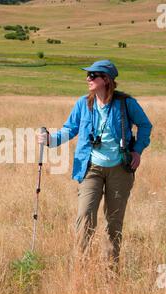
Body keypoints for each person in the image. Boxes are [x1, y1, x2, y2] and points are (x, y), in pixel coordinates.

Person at [36, 59, 152, 266]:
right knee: (85, 216)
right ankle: (80, 266)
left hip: (120, 169)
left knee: (114, 222)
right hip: (90, 168)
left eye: (92, 75)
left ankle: (111, 270)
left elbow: (145, 125)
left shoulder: (126, 103)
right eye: (88, 75)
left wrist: (137, 151)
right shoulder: (83, 103)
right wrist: (50, 140)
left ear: (106, 80)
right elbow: (69, 129)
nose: (87, 78)